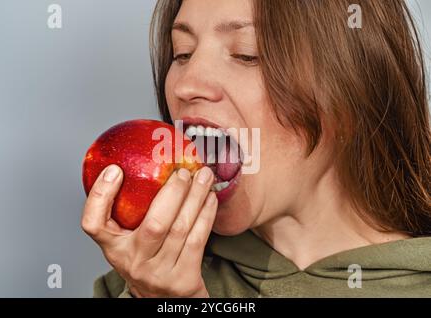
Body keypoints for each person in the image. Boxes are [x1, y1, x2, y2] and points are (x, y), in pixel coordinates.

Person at [82, 0, 431, 297]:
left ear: (351, 90)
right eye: (182, 54)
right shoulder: (139, 282)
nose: (185, 85)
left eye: (247, 54)